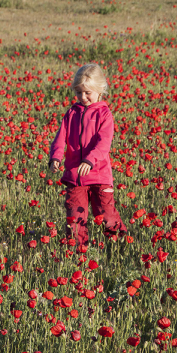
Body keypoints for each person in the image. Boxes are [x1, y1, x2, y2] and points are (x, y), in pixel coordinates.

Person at [49, 63, 126, 249]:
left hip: (99, 176)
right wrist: (56, 157)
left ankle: (120, 245)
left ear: (100, 90)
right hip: (75, 177)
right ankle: (79, 252)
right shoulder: (71, 114)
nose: (82, 97)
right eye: (78, 93)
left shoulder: (105, 115)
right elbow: (60, 138)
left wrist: (89, 160)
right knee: (75, 219)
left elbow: (104, 143)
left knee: (106, 213)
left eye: (87, 93)